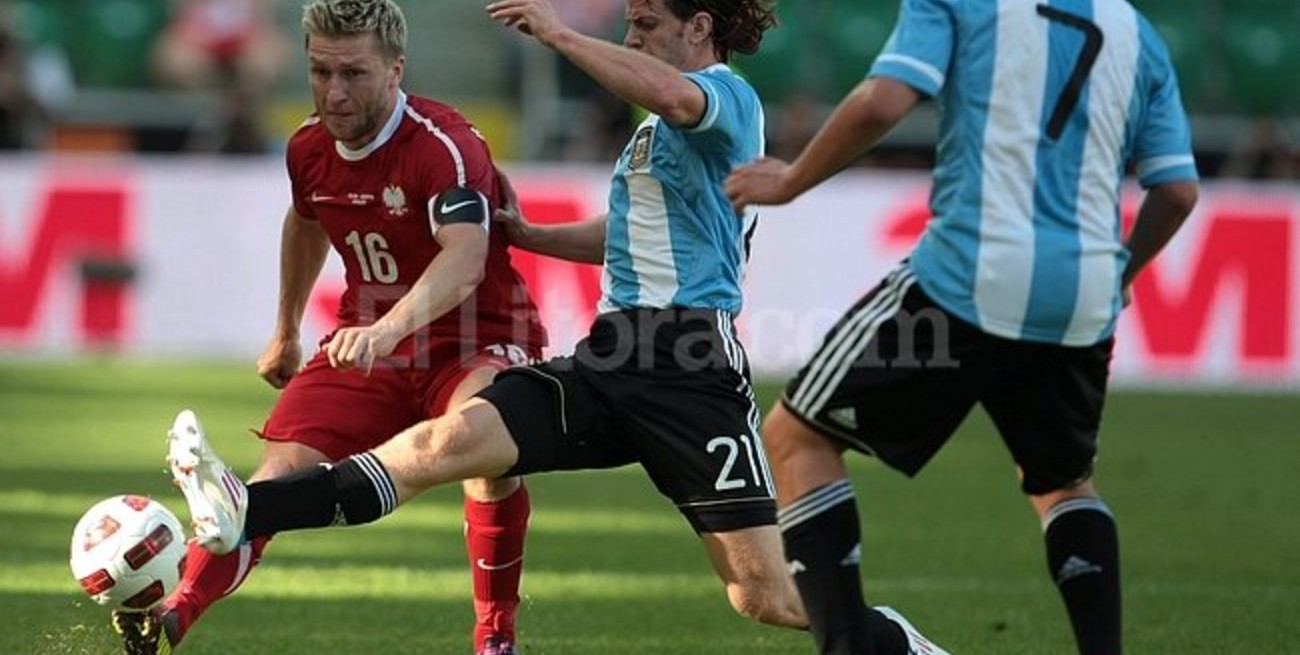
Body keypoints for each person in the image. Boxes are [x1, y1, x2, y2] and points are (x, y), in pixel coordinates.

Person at [151, 0, 890, 643]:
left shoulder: (729, 98)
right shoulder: (656, 138)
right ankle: (245, 509)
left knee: (765, 597)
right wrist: (530, 234)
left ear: (699, 28)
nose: (631, 37)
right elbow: (630, 235)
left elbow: (669, 92)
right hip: (609, 358)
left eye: (644, 24)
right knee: (445, 444)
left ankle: (908, 648)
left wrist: (560, 34)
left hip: (689, 367)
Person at [725, 0, 1201, 653]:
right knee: (1063, 483)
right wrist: (1124, 271)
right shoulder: (1138, 34)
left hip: (970, 273)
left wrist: (792, 178)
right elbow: (1177, 191)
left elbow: (884, 100)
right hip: (1081, 291)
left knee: (797, 436)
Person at [113, 2, 547, 655]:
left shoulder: (446, 144)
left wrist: (387, 329)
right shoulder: (308, 148)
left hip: (475, 335)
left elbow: (465, 258)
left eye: (353, 73)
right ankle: (173, 616)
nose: (334, 92)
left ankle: (494, 636)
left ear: (396, 69)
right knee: (276, 477)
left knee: (483, 451)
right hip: (368, 339)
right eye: (320, 72)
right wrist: (285, 328)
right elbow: (306, 220)